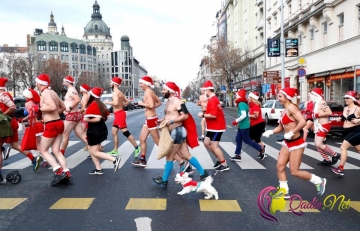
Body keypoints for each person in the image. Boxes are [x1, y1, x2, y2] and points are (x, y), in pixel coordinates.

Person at [263, 88, 326, 197]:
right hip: (287, 143)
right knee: (280, 166)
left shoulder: (292, 108)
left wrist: (292, 132)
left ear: (287, 97)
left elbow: (302, 122)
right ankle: (284, 191)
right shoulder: (284, 110)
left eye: (280, 96)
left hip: (296, 143)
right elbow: (280, 127)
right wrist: (271, 131)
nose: (278, 99)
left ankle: (319, 181)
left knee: (294, 171)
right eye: (278, 96)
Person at [152, 82, 209, 188]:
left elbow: (185, 116)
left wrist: (172, 122)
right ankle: (203, 173)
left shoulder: (177, 101)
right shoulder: (169, 101)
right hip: (174, 131)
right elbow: (170, 115)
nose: (162, 91)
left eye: (164, 90)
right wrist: (163, 120)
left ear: (170, 91)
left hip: (177, 131)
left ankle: (164, 181)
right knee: (186, 155)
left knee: (169, 155)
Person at [0, 77, 41, 180]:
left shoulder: (2, 96)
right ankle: (33, 158)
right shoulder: (8, 94)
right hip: (12, 123)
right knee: (14, 144)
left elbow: (12, 107)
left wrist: (3, 116)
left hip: (4, 125)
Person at [35, 73, 72, 186]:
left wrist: (39, 110)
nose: (36, 84)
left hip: (51, 124)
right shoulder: (53, 92)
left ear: (40, 83)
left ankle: (58, 171)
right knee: (56, 151)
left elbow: (52, 107)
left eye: (37, 82)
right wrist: (54, 114)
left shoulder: (45, 92)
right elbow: (63, 107)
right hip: (58, 122)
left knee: (43, 150)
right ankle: (66, 172)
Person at [84, 88, 121, 174]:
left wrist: (86, 119)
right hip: (99, 129)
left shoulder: (94, 104)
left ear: (92, 95)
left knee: (95, 151)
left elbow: (97, 118)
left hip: (95, 130)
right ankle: (98, 169)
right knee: (91, 149)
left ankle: (114, 160)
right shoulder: (99, 104)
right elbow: (104, 117)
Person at [105, 77, 140, 157]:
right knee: (114, 132)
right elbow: (127, 102)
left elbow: (116, 103)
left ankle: (137, 147)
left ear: (114, 84)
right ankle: (115, 150)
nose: (110, 84)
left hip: (119, 114)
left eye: (111, 82)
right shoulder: (120, 92)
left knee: (125, 132)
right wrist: (121, 105)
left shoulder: (115, 93)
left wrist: (108, 102)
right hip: (118, 114)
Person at [198, 80, 228, 172]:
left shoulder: (213, 100)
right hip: (212, 127)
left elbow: (213, 115)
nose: (203, 93)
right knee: (206, 143)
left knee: (214, 146)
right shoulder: (212, 99)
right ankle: (219, 159)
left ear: (208, 90)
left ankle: (224, 164)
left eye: (204, 91)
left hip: (217, 127)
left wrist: (202, 115)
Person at [132, 76, 162, 167]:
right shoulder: (149, 92)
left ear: (146, 84)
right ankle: (142, 160)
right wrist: (149, 108)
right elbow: (159, 102)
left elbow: (152, 105)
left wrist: (142, 104)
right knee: (142, 139)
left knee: (157, 142)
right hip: (149, 119)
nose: (140, 85)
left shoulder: (148, 92)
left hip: (151, 119)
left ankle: (179, 160)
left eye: (141, 83)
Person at [231, 89, 266, 161]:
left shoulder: (241, 104)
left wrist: (236, 121)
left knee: (247, 140)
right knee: (238, 139)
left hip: (245, 125)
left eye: (237, 95)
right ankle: (238, 155)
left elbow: (244, 115)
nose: (236, 97)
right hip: (243, 125)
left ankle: (261, 149)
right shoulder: (245, 104)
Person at [309, 88, 340, 166]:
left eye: (312, 94)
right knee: (316, 144)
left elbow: (329, 112)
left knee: (319, 144)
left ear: (316, 95)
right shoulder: (315, 103)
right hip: (318, 126)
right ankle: (326, 160)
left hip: (324, 126)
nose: (310, 95)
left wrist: (317, 115)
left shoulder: (322, 102)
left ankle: (335, 154)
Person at [332, 91, 360, 175]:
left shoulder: (357, 108)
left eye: (347, 98)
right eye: (345, 98)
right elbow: (343, 117)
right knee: (359, 150)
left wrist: (359, 120)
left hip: (356, 131)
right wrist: (339, 119)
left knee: (343, 147)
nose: (345, 99)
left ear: (352, 99)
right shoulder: (346, 108)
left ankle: (340, 168)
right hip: (348, 132)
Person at [60, 76, 88, 156]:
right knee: (80, 134)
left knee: (65, 134)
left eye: (64, 82)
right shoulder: (71, 90)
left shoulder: (71, 90)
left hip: (72, 115)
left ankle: (61, 153)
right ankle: (93, 147)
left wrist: (69, 108)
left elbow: (77, 100)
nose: (63, 83)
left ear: (68, 82)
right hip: (75, 115)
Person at [22, 88, 44, 157]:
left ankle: (39, 156)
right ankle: (43, 156)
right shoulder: (37, 102)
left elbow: (32, 114)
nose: (24, 97)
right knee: (40, 142)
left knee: (35, 142)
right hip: (40, 123)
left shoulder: (27, 103)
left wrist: (24, 119)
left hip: (33, 124)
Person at [248, 91, 266, 155]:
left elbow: (256, 116)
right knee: (255, 139)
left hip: (258, 124)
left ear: (252, 98)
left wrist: (248, 115)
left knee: (255, 139)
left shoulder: (255, 106)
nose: (248, 98)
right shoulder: (252, 106)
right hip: (255, 124)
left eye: (249, 97)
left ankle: (262, 149)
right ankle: (262, 148)